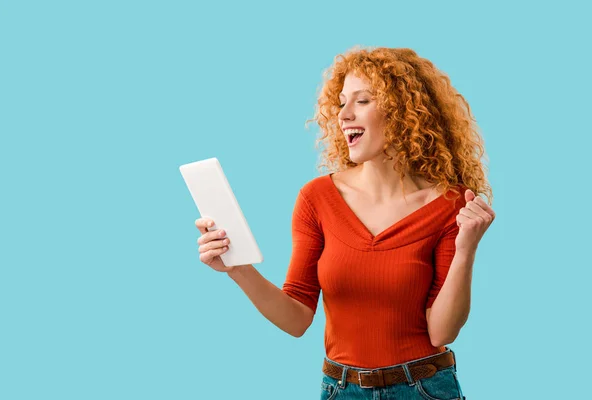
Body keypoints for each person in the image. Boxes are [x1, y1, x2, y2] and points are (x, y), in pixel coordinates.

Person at [195, 46, 495, 399]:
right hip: (342, 389)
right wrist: (237, 268)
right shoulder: (317, 199)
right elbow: (296, 318)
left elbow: (442, 332)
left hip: (425, 388)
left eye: (363, 101)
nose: (344, 115)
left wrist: (466, 250)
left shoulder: (450, 204)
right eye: (341, 103)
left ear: (403, 111)